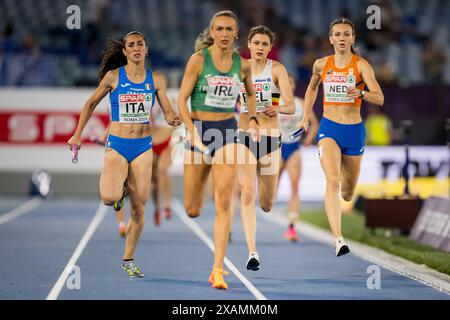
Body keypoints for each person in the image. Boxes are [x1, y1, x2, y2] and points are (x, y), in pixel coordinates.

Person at [67, 31, 181, 277]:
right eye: (132, 45)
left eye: (141, 44)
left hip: (143, 147)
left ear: (147, 49)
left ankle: (128, 259)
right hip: (118, 144)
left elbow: (168, 111)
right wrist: (77, 134)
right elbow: (90, 104)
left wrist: (173, 118)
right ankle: (121, 192)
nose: (137, 48)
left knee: (139, 209)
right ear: (125, 51)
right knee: (109, 198)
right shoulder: (113, 77)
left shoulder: (156, 79)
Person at [177, 10, 259, 290]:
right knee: (192, 209)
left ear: (237, 34)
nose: (224, 34)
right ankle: (196, 202)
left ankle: (217, 270)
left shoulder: (243, 65)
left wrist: (250, 118)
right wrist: (190, 130)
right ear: (212, 32)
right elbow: (181, 99)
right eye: (220, 29)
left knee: (223, 203)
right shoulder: (198, 60)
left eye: (230, 29)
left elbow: (250, 94)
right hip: (199, 132)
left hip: (226, 133)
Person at [297, 18, 384, 256]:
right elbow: (312, 87)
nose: (342, 38)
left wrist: (361, 92)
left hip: (354, 130)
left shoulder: (362, 65)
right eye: (338, 34)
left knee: (347, 192)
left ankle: (342, 217)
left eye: (347, 34)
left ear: (353, 39)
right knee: (332, 181)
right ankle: (338, 239)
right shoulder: (321, 64)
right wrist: (305, 116)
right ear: (331, 39)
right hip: (329, 129)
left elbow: (380, 97)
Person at [237, 25, 294, 271]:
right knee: (247, 193)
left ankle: (266, 204)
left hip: (271, 137)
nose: (260, 48)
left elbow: (291, 106)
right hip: (245, 135)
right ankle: (252, 251)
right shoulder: (239, 68)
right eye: (256, 43)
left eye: (264, 44)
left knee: (267, 204)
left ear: (270, 48)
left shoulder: (277, 70)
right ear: (249, 44)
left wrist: (278, 107)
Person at [278, 74, 319, 242]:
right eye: (285, 82)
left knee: (295, 187)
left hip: (294, 147)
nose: (289, 85)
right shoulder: (274, 103)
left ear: (294, 85)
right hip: (277, 147)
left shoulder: (301, 103)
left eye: (291, 82)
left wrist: (309, 139)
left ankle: (291, 226)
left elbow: (314, 123)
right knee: (271, 190)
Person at [150, 75, 177, 226]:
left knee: (163, 170)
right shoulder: (148, 99)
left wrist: (174, 137)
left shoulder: (171, 100)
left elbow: (179, 121)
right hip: (152, 143)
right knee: (153, 182)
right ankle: (157, 207)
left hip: (167, 142)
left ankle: (166, 206)